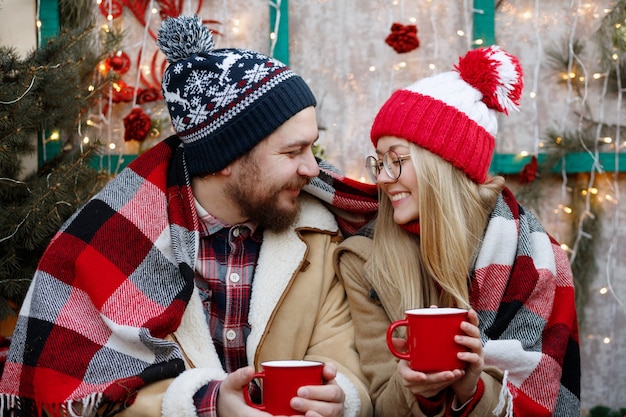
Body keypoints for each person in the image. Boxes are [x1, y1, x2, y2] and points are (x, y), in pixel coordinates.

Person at [0, 15, 375, 417]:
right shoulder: (116, 243)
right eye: (292, 151)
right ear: (226, 158)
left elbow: (341, 352)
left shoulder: (317, 234)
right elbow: (87, 395)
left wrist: (342, 398)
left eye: (311, 147)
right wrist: (205, 406)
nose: (313, 169)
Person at [334, 45, 581, 417]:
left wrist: (473, 391)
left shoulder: (539, 260)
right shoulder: (366, 260)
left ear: (444, 165)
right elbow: (380, 403)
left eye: (397, 161)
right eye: (379, 162)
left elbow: (546, 401)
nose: (384, 179)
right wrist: (420, 393)